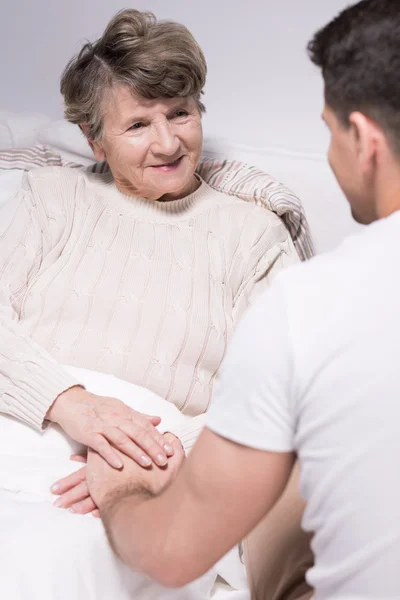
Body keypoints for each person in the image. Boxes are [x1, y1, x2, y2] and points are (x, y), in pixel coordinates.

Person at [85, 1, 400, 598]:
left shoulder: (308, 303)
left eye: (330, 130)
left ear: (364, 140)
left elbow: (174, 552)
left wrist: (118, 489)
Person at [0, 7, 305, 600]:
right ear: (94, 139)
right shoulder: (48, 197)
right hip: (19, 425)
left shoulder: (253, 234)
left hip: (151, 473)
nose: (168, 142)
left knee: (44, 565)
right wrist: (69, 403)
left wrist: (160, 455)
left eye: (180, 114)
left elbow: (282, 388)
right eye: (137, 124)